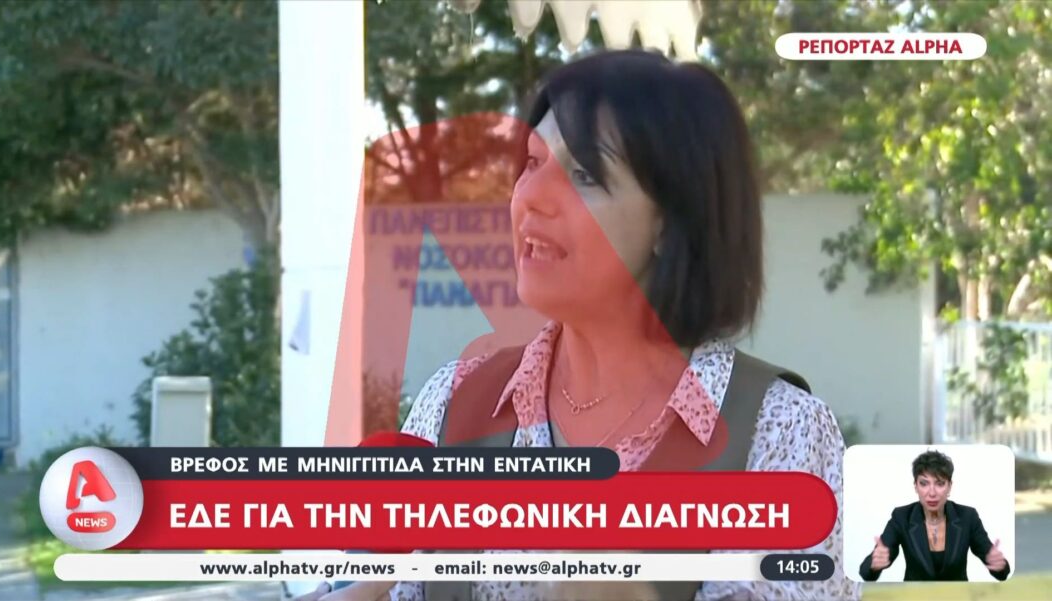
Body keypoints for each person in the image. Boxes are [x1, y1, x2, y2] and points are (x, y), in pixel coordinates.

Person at [299, 49, 859, 601]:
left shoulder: (780, 432)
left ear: (672, 221)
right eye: (532, 163)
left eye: (585, 174)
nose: (531, 198)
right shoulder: (452, 404)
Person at [858, 450, 1010, 582]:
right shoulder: (902, 517)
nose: (931, 493)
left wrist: (999, 564)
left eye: (939, 483)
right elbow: (865, 572)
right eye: (924, 484)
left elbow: (1000, 570)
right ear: (915, 486)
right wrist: (874, 564)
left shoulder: (967, 517)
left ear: (949, 486)